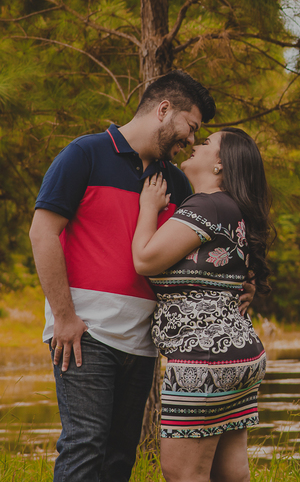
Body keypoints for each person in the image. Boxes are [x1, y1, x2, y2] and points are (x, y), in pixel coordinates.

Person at [27, 70, 228, 482]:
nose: (191, 141)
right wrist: (64, 317)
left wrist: (243, 281)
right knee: (85, 445)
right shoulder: (86, 153)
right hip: (85, 333)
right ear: (164, 109)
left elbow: (196, 252)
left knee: (120, 457)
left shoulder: (174, 181)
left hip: (142, 342)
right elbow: (42, 232)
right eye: (191, 128)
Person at [132, 127, 272, 482]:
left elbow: (145, 260)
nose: (195, 144)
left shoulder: (207, 205)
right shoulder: (233, 208)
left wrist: (148, 208)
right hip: (239, 355)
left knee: (183, 473)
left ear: (220, 165)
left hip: (202, 359)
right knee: (231, 473)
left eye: (206, 142)